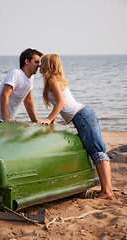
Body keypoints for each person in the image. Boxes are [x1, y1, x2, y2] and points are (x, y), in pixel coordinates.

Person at [39, 53, 113, 199]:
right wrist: (51, 124)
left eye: (42, 63)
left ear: (48, 65)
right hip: (83, 116)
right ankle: (106, 189)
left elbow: (60, 103)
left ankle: (107, 191)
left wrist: (48, 119)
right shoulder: (54, 80)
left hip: (83, 116)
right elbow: (58, 105)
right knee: (96, 151)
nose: (39, 66)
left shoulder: (53, 80)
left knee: (98, 152)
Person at [0, 48, 43, 126]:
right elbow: (4, 95)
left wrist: (35, 121)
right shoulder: (16, 74)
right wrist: (6, 119)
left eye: (39, 62)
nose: (39, 65)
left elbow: (28, 100)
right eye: (36, 62)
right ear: (27, 61)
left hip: (2, 122)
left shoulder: (30, 79)